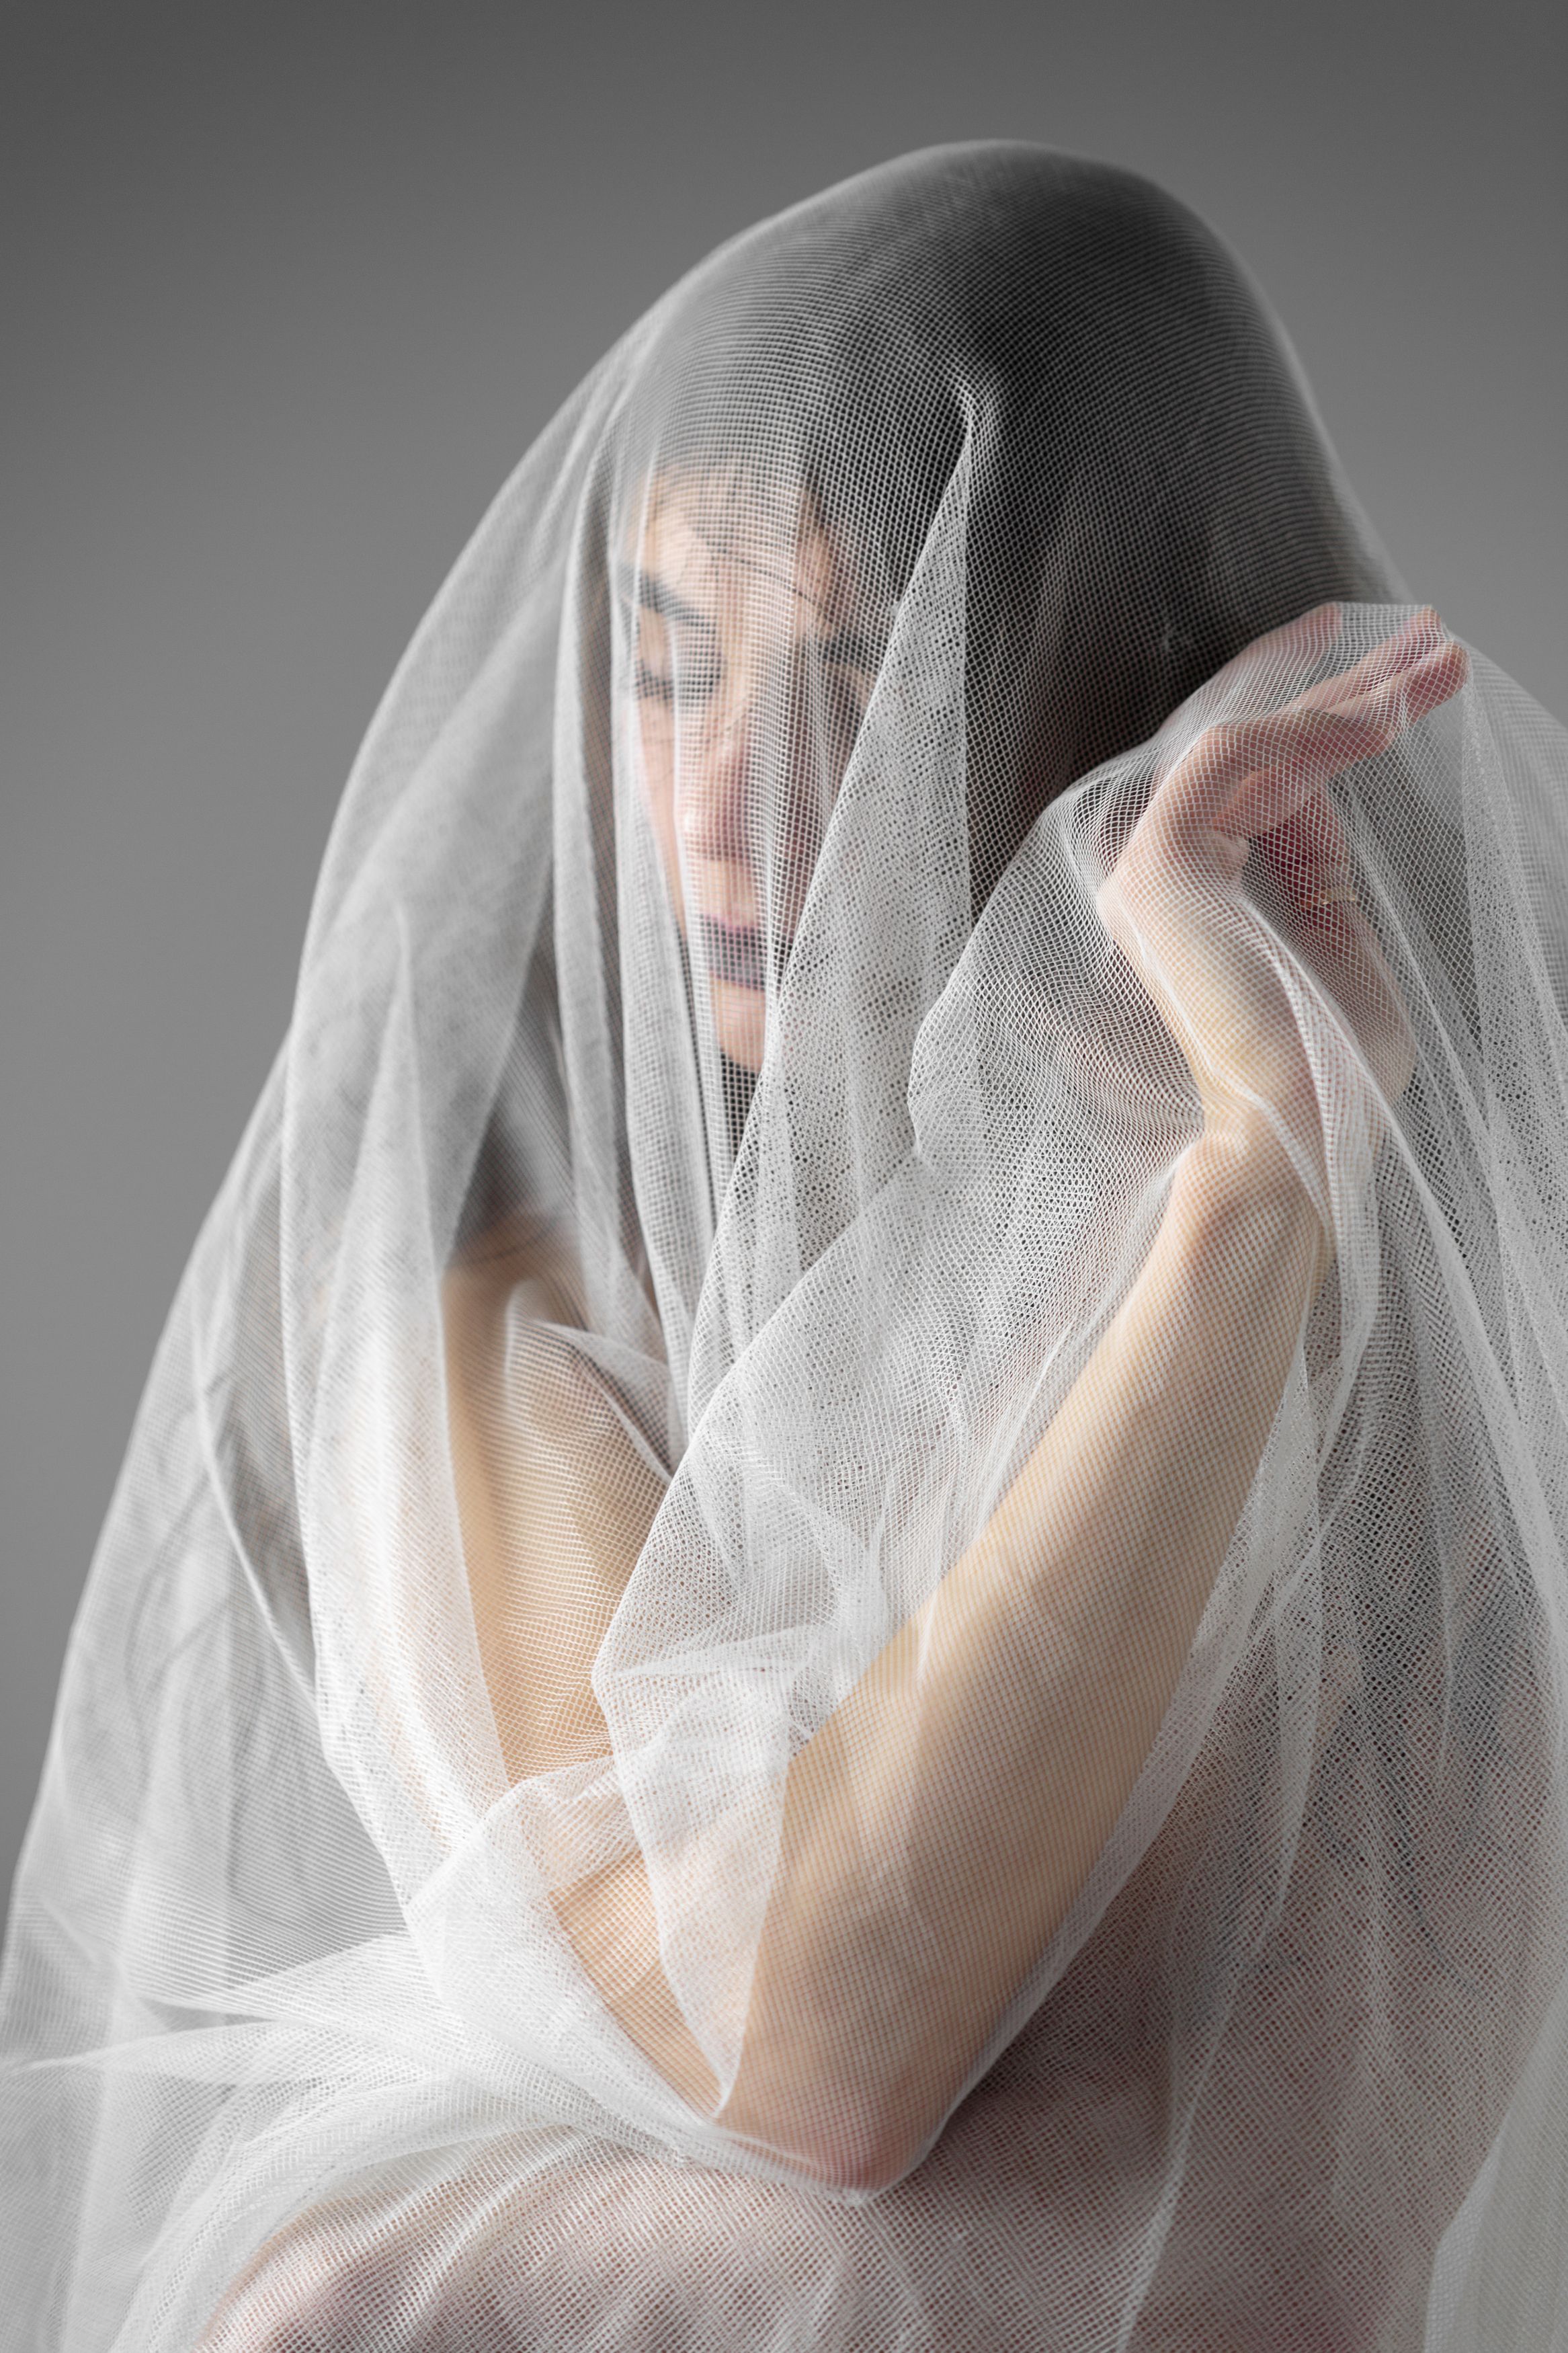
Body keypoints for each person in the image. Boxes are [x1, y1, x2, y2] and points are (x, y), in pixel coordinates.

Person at [4, 142, 1567, 2352]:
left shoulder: (1460, 1195)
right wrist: (1249, 1204)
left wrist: (1265, 1147)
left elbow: (1317, 2223)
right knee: (339, 2310)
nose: (722, 802)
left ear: (1116, 674)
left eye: (858, 663)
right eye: (661, 669)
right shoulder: (521, 1277)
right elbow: (806, 2058)